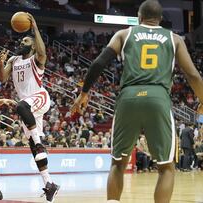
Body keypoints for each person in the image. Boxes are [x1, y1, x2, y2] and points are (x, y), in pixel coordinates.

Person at [71, 1, 203, 202]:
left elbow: (98, 63)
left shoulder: (124, 34)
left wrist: (84, 93)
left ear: (139, 17)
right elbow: (193, 75)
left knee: (118, 164)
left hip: (128, 97)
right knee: (166, 168)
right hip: (158, 97)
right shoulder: (174, 38)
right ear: (160, 19)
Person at [0, 13, 59, 202]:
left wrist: (35, 28)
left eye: (25, 40)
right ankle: (49, 184)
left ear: (32, 45)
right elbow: (2, 79)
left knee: (21, 106)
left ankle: (39, 142)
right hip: (27, 107)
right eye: (21, 39)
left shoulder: (36, 60)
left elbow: (43, 53)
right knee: (34, 148)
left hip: (39, 98)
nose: (20, 42)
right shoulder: (14, 60)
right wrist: (1, 63)